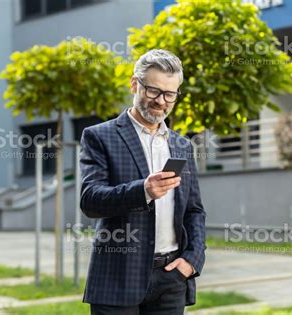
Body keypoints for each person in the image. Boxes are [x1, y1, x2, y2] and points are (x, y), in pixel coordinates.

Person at [79, 49, 206, 315]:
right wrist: (143, 190)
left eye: (170, 94)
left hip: (171, 278)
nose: (161, 101)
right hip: (117, 278)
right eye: (153, 91)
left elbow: (194, 211)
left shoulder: (182, 145)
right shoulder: (99, 137)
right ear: (135, 84)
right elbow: (90, 200)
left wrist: (192, 260)